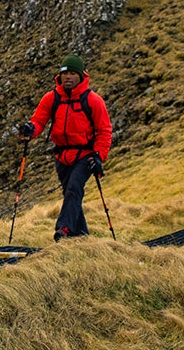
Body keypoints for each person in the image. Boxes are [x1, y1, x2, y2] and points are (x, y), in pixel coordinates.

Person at [14, 54, 111, 240]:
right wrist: (30, 129)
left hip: (85, 155)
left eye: (73, 73)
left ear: (81, 76)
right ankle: (82, 238)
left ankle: (63, 229)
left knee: (74, 189)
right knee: (70, 194)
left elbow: (104, 130)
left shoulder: (93, 100)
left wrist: (99, 156)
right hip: (62, 156)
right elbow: (39, 120)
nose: (68, 77)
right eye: (65, 73)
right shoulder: (52, 98)